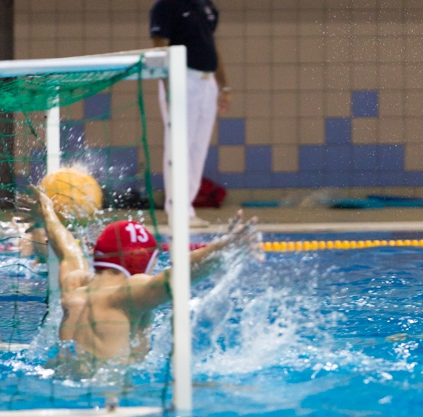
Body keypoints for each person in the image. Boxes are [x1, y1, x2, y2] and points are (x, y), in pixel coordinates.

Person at [32, 185, 259, 366]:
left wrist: (48, 215)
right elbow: (176, 277)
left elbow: (68, 249)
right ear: (142, 264)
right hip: (108, 395)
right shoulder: (127, 293)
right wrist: (220, 250)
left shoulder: (74, 286)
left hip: (60, 378)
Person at [150, 0, 231, 228]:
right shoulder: (166, 6)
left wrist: (223, 86)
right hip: (182, 79)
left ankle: (187, 208)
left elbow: (211, 46)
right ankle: (177, 210)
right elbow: (160, 48)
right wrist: (168, 88)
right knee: (178, 146)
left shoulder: (206, 5)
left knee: (198, 149)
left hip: (207, 83)